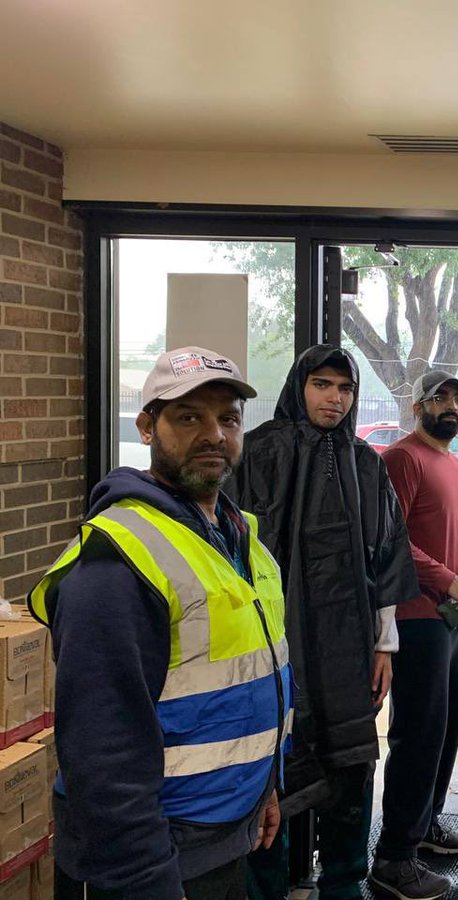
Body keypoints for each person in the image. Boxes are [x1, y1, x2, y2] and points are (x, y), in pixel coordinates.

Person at [29, 347, 293, 899]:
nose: (214, 435)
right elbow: (103, 750)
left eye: (227, 418)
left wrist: (267, 788)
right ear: (147, 426)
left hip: (222, 834)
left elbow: (245, 682)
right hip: (153, 859)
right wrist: (146, 881)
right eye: (190, 417)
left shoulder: (239, 540)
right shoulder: (118, 560)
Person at [230, 345, 419, 900]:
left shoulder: (365, 462)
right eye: (322, 385)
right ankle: (270, 886)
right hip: (274, 644)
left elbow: (387, 553)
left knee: (352, 762)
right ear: (299, 386)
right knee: (274, 766)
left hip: (349, 644)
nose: (334, 398)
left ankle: (344, 883)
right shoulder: (259, 451)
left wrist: (385, 645)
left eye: (345, 388)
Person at [372, 370, 458, 900]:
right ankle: (394, 858)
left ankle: (424, 825)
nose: (450, 406)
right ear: (417, 407)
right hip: (416, 616)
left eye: (456, 398)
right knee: (418, 733)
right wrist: (447, 576)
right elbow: (391, 538)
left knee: (445, 727)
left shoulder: (451, 462)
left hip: (450, 616)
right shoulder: (401, 459)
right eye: (438, 398)